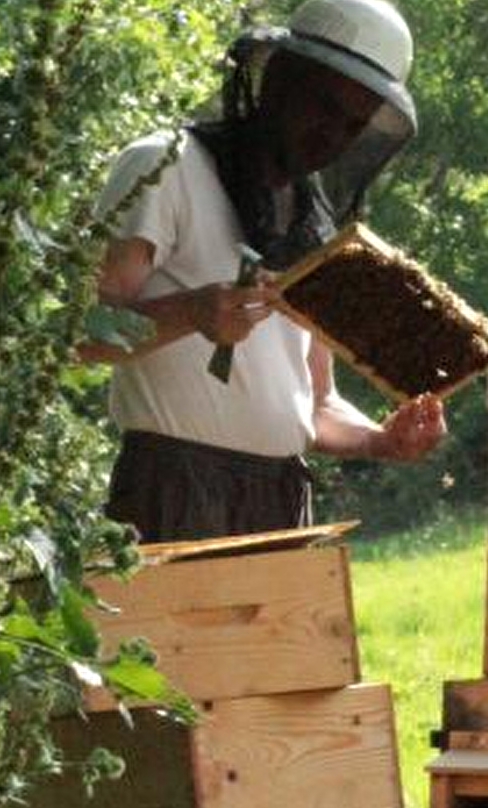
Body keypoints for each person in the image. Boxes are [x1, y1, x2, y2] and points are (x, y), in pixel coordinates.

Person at [85, 0, 445, 542]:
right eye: (325, 106)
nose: (333, 136)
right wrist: (191, 312)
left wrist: (380, 441)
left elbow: (315, 404)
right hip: (170, 487)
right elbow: (78, 338)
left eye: (354, 123)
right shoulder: (164, 166)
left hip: (282, 496)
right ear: (279, 79)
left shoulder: (313, 228)